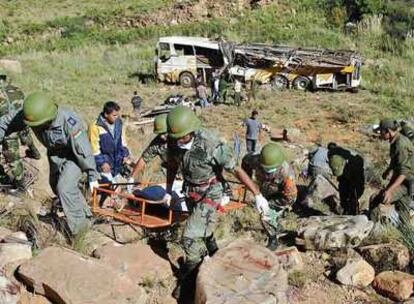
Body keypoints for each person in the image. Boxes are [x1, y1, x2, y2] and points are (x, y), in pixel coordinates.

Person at [165, 106, 270, 300]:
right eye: (176, 137)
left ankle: (191, 280)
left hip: (212, 192)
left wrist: (257, 194)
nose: (179, 141)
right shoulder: (173, 141)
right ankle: (215, 255)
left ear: (192, 130)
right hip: (191, 191)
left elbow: (235, 169)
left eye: (183, 137)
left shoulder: (211, 144)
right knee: (203, 231)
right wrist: (168, 189)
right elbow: (172, 165)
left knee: (189, 236)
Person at [0, 92, 99, 235]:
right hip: (54, 155)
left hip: (74, 156)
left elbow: (83, 150)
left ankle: (81, 232)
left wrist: (92, 174)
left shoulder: (69, 121)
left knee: (64, 187)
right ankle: (86, 215)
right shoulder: (33, 116)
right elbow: (5, 124)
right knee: (56, 186)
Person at [242, 143, 297, 250]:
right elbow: (245, 161)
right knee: (269, 213)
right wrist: (247, 179)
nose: (268, 172)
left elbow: (290, 198)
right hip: (265, 190)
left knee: (266, 214)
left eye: (271, 169)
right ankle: (277, 225)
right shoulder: (256, 160)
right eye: (265, 168)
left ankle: (273, 239)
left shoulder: (287, 174)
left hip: (282, 196)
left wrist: (269, 204)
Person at [0, 70, 40, 191]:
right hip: (23, 122)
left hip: (8, 130)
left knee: (14, 159)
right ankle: (35, 153)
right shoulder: (17, 90)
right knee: (27, 139)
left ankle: (20, 186)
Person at [370, 119, 414, 221]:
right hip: (405, 180)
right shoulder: (396, 140)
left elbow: (403, 172)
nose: (380, 134)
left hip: (405, 182)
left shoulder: (400, 145)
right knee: (402, 210)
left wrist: (390, 191)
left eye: (381, 131)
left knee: (375, 199)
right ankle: (405, 234)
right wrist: (388, 170)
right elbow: (397, 161)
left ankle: (372, 228)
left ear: (388, 131)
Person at [89, 101, 130, 184]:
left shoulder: (118, 122)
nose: (116, 117)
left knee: (118, 187)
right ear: (106, 114)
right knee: (107, 188)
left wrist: (125, 154)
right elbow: (94, 149)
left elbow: (122, 140)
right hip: (104, 165)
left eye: (117, 115)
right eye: (114, 115)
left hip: (117, 162)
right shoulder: (95, 127)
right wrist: (102, 163)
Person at [328, 144, 366, 215]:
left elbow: (358, 183)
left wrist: (354, 194)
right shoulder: (331, 155)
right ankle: (345, 209)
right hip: (346, 170)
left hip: (355, 172)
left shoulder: (356, 162)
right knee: (343, 190)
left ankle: (353, 211)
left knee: (354, 192)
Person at [131, 114, 171, 178]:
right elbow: (144, 159)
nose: (162, 137)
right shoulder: (158, 141)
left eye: (164, 133)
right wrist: (132, 177)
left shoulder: (182, 138)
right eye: (160, 134)